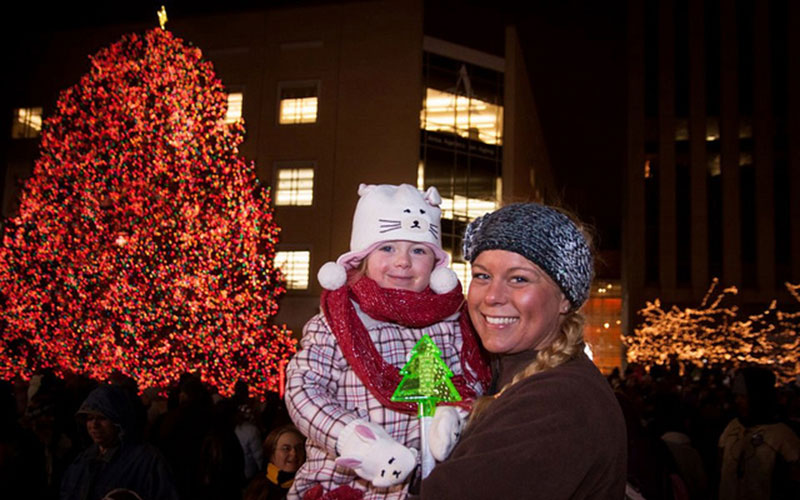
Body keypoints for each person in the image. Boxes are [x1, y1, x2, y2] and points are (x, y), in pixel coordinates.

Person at [285, 183, 491, 499]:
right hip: (345, 484)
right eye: (387, 248)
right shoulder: (338, 320)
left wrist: (455, 413)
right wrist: (354, 439)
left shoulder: (450, 323)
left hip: (425, 487)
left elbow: (471, 383)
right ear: (363, 257)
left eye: (418, 250)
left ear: (436, 266)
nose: (402, 262)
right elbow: (303, 388)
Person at [419, 202, 627, 499]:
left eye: (519, 279)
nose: (492, 296)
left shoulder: (559, 402)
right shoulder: (495, 372)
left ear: (565, 298)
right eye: (481, 275)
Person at [60, 384, 179, 500]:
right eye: (90, 418)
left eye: (102, 418)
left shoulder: (147, 461)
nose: (94, 425)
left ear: (118, 422)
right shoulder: (83, 461)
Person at [718, 366, 800, 500]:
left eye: (744, 396)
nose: (738, 401)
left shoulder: (782, 436)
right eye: (736, 396)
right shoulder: (733, 428)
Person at [244, 424, 307, 500]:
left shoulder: (308, 486)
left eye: (299, 448)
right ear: (271, 453)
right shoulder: (258, 488)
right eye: (286, 448)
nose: (294, 453)